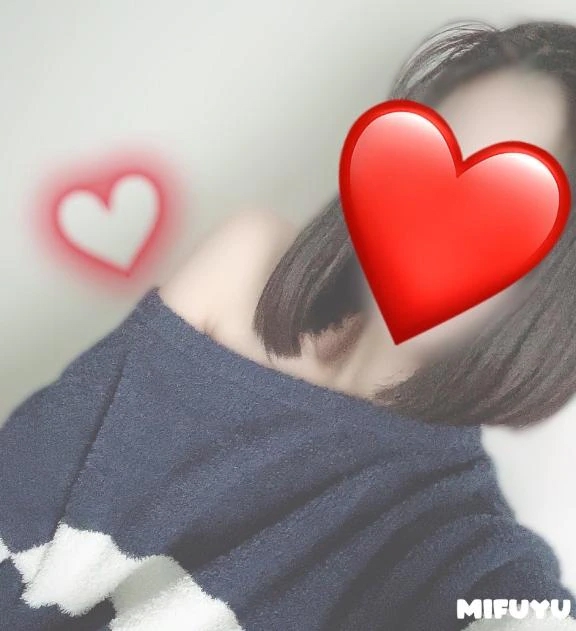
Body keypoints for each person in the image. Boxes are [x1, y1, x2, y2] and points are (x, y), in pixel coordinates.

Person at [1, 18, 576, 631]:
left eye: (500, 210)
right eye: (426, 166)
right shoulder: (245, 268)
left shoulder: (464, 551)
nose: (431, 224)